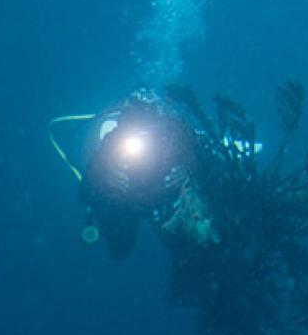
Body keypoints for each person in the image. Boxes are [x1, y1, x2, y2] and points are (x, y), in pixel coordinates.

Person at [49, 93, 199, 258]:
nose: (145, 131)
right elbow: (84, 192)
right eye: (137, 122)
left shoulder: (176, 136)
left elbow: (199, 160)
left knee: (191, 244)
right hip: (126, 203)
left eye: (150, 123)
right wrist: (104, 178)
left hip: (165, 201)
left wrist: (189, 172)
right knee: (120, 250)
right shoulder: (113, 141)